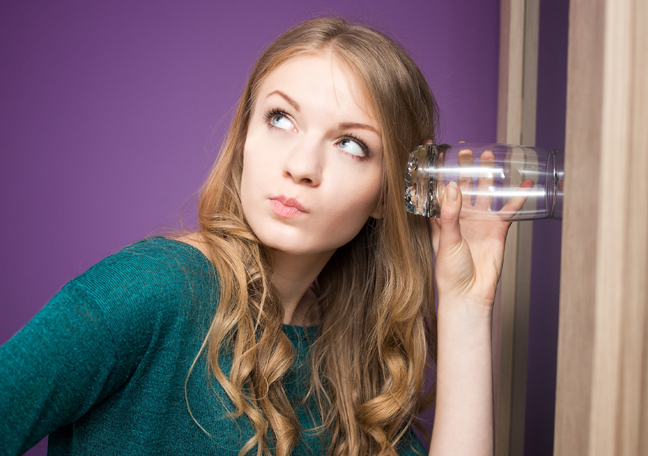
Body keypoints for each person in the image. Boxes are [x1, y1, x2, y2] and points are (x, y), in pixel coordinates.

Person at [0, 16, 514, 456]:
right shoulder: (148, 291)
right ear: (245, 136)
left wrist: (468, 307)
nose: (301, 166)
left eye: (352, 145)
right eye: (281, 118)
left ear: (387, 194)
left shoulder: (356, 359)